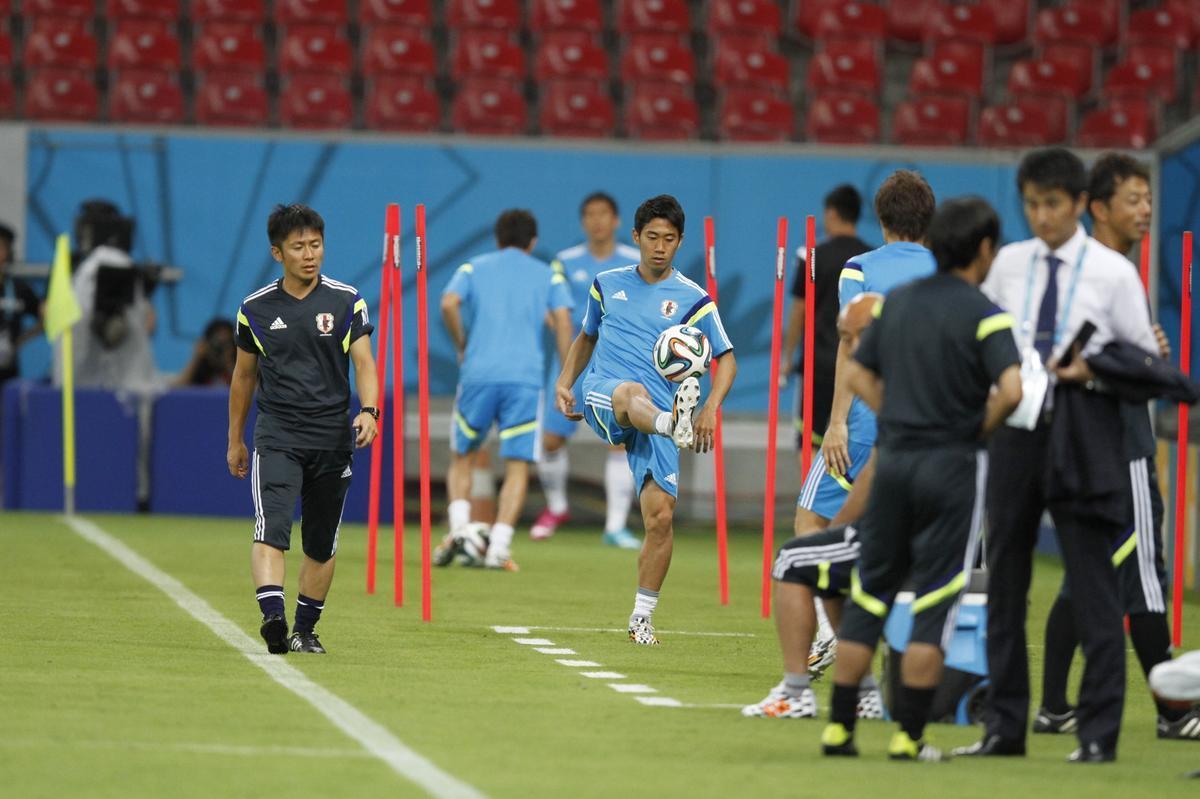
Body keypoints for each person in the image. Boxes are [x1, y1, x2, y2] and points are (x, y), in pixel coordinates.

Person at [956, 147, 1159, 763]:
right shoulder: (1009, 265)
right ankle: (1005, 728)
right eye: (1031, 205)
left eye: (1052, 204)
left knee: (1094, 584)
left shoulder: (1114, 272)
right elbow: (983, 334)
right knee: (1005, 583)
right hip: (1016, 433)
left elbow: (1142, 364)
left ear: (1078, 204)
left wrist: (1091, 370)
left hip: (1084, 431)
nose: (1041, 218)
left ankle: (1098, 736)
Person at [820, 196, 1023, 762]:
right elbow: (1011, 391)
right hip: (951, 470)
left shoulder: (896, 306)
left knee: (868, 597)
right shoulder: (986, 313)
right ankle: (908, 737)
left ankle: (839, 730)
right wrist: (971, 431)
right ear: (984, 249)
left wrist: (898, 418)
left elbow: (857, 371)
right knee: (933, 604)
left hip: (895, 464)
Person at [1034, 153, 1200, 740]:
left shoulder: (1098, 268)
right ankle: (1173, 710)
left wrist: (1142, 352)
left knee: (1084, 575)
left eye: (1149, 199)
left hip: (1085, 441)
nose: (1147, 210)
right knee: (1146, 574)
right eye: (1134, 199)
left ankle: (1054, 705)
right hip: (1117, 443)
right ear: (1098, 207)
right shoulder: (1102, 268)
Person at [555, 194, 736, 646]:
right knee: (630, 393)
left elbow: (727, 359)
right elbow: (586, 336)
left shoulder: (694, 299)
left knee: (659, 518)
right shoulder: (606, 283)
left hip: (662, 410)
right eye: (652, 237)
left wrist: (710, 407)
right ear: (635, 237)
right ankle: (668, 423)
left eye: (669, 239)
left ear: (679, 242)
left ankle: (641, 617)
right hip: (606, 394)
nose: (660, 247)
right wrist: (564, 382)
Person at [227, 204, 378, 655]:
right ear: (278, 252)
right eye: (298, 247)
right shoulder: (254, 309)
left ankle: (305, 629)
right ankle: (273, 617)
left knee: (321, 542)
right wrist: (235, 438)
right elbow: (243, 377)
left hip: (332, 438)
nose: (309, 255)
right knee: (271, 527)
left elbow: (364, 362)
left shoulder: (346, 300)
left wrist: (369, 410)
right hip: (277, 435)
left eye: (316, 245)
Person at [743, 292, 884, 721]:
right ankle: (866, 692)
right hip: (941, 536)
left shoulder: (881, 392)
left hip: (904, 534)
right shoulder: (921, 376)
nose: (851, 347)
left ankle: (797, 690)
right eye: (845, 338)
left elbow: (884, 467)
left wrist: (837, 533)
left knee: (797, 557)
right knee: (827, 561)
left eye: (856, 337)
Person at [796, 171, 937, 534]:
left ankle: (822, 589)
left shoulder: (859, 269)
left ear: (881, 218)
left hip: (863, 427)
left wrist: (837, 423)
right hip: (928, 429)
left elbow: (851, 346)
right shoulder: (946, 274)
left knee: (809, 521)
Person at [435, 209, 574, 570]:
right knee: (517, 465)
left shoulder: (473, 267)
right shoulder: (548, 274)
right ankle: (498, 547)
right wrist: (567, 374)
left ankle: (461, 532)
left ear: (497, 239)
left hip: (478, 374)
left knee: (462, 456)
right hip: (524, 379)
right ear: (533, 242)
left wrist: (461, 339)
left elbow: (448, 303)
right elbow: (562, 320)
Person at [533, 192, 644, 549]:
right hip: (573, 361)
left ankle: (614, 526)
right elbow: (551, 307)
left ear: (616, 221)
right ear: (583, 222)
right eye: (590, 215)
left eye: (604, 214)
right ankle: (557, 507)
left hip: (617, 364)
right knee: (550, 440)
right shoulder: (564, 261)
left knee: (619, 441)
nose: (597, 221)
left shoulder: (632, 260)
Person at [780, 185, 871, 472]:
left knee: (809, 441)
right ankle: (842, 510)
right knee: (854, 440)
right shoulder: (870, 259)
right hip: (858, 366)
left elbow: (799, 311)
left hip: (816, 366)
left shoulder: (813, 256)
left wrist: (786, 358)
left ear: (831, 213)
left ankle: (814, 505)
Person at [0, 222, 41, 388]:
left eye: (1, 247)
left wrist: (19, 342)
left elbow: (45, 317)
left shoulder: (19, 288)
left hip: (8, 373)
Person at [174, 318, 236, 387]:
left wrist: (229, 364)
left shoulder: (236, 370)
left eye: (226, 344)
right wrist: (196, 358)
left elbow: (244, 387)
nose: (220, 349)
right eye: (218, 343)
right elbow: (178, 389)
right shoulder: (199, 370)